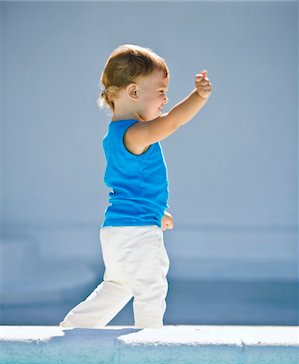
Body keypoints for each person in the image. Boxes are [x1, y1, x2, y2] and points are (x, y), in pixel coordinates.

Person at [59, 43, 212, 329]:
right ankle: (149, 343)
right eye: (162, 92)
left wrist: (158, 211)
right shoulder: (137, 133)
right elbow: (173, 122)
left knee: (118, 286)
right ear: (133, 92)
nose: (166, 99)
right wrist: (198, 96)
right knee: (151, 287)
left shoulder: (114, 135)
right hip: (137, 231)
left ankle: (74, 328)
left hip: (117, 228)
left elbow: (133, 183)